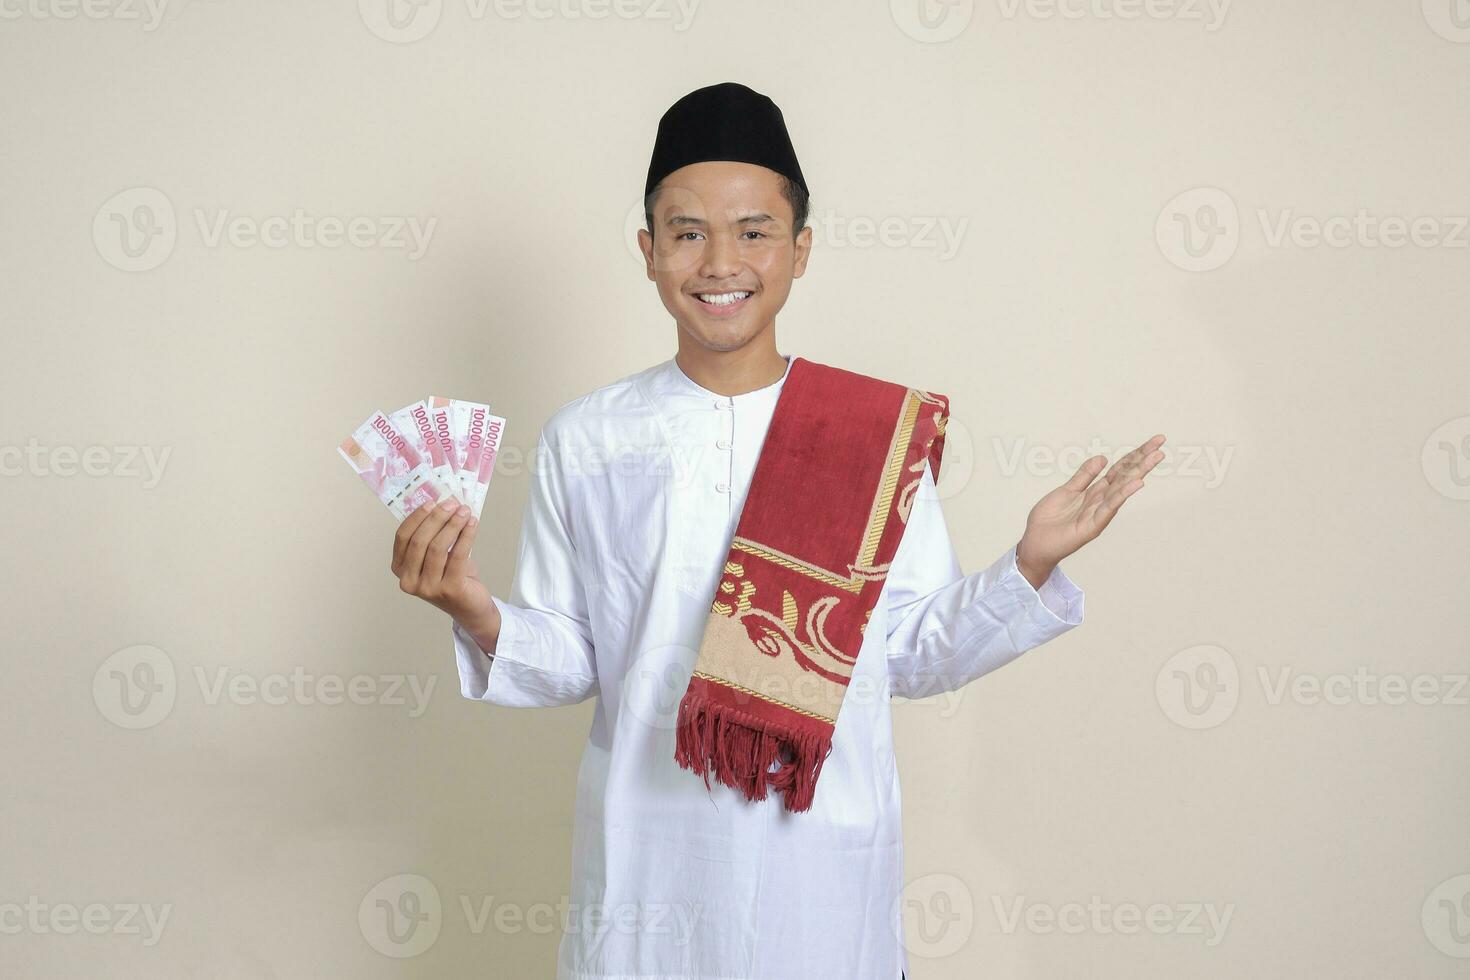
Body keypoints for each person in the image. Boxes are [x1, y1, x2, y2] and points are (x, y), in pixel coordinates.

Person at [390, 82, 1165, 980]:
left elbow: (910, 653)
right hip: (648, 872)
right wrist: (476, 612)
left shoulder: (869, 434)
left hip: (822, 877)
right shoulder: (588, 436)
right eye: (687, 233)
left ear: (800, 249)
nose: (721, 260)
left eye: (754, 231)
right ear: (648, 252)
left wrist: (1027, 566)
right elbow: (576, 657)